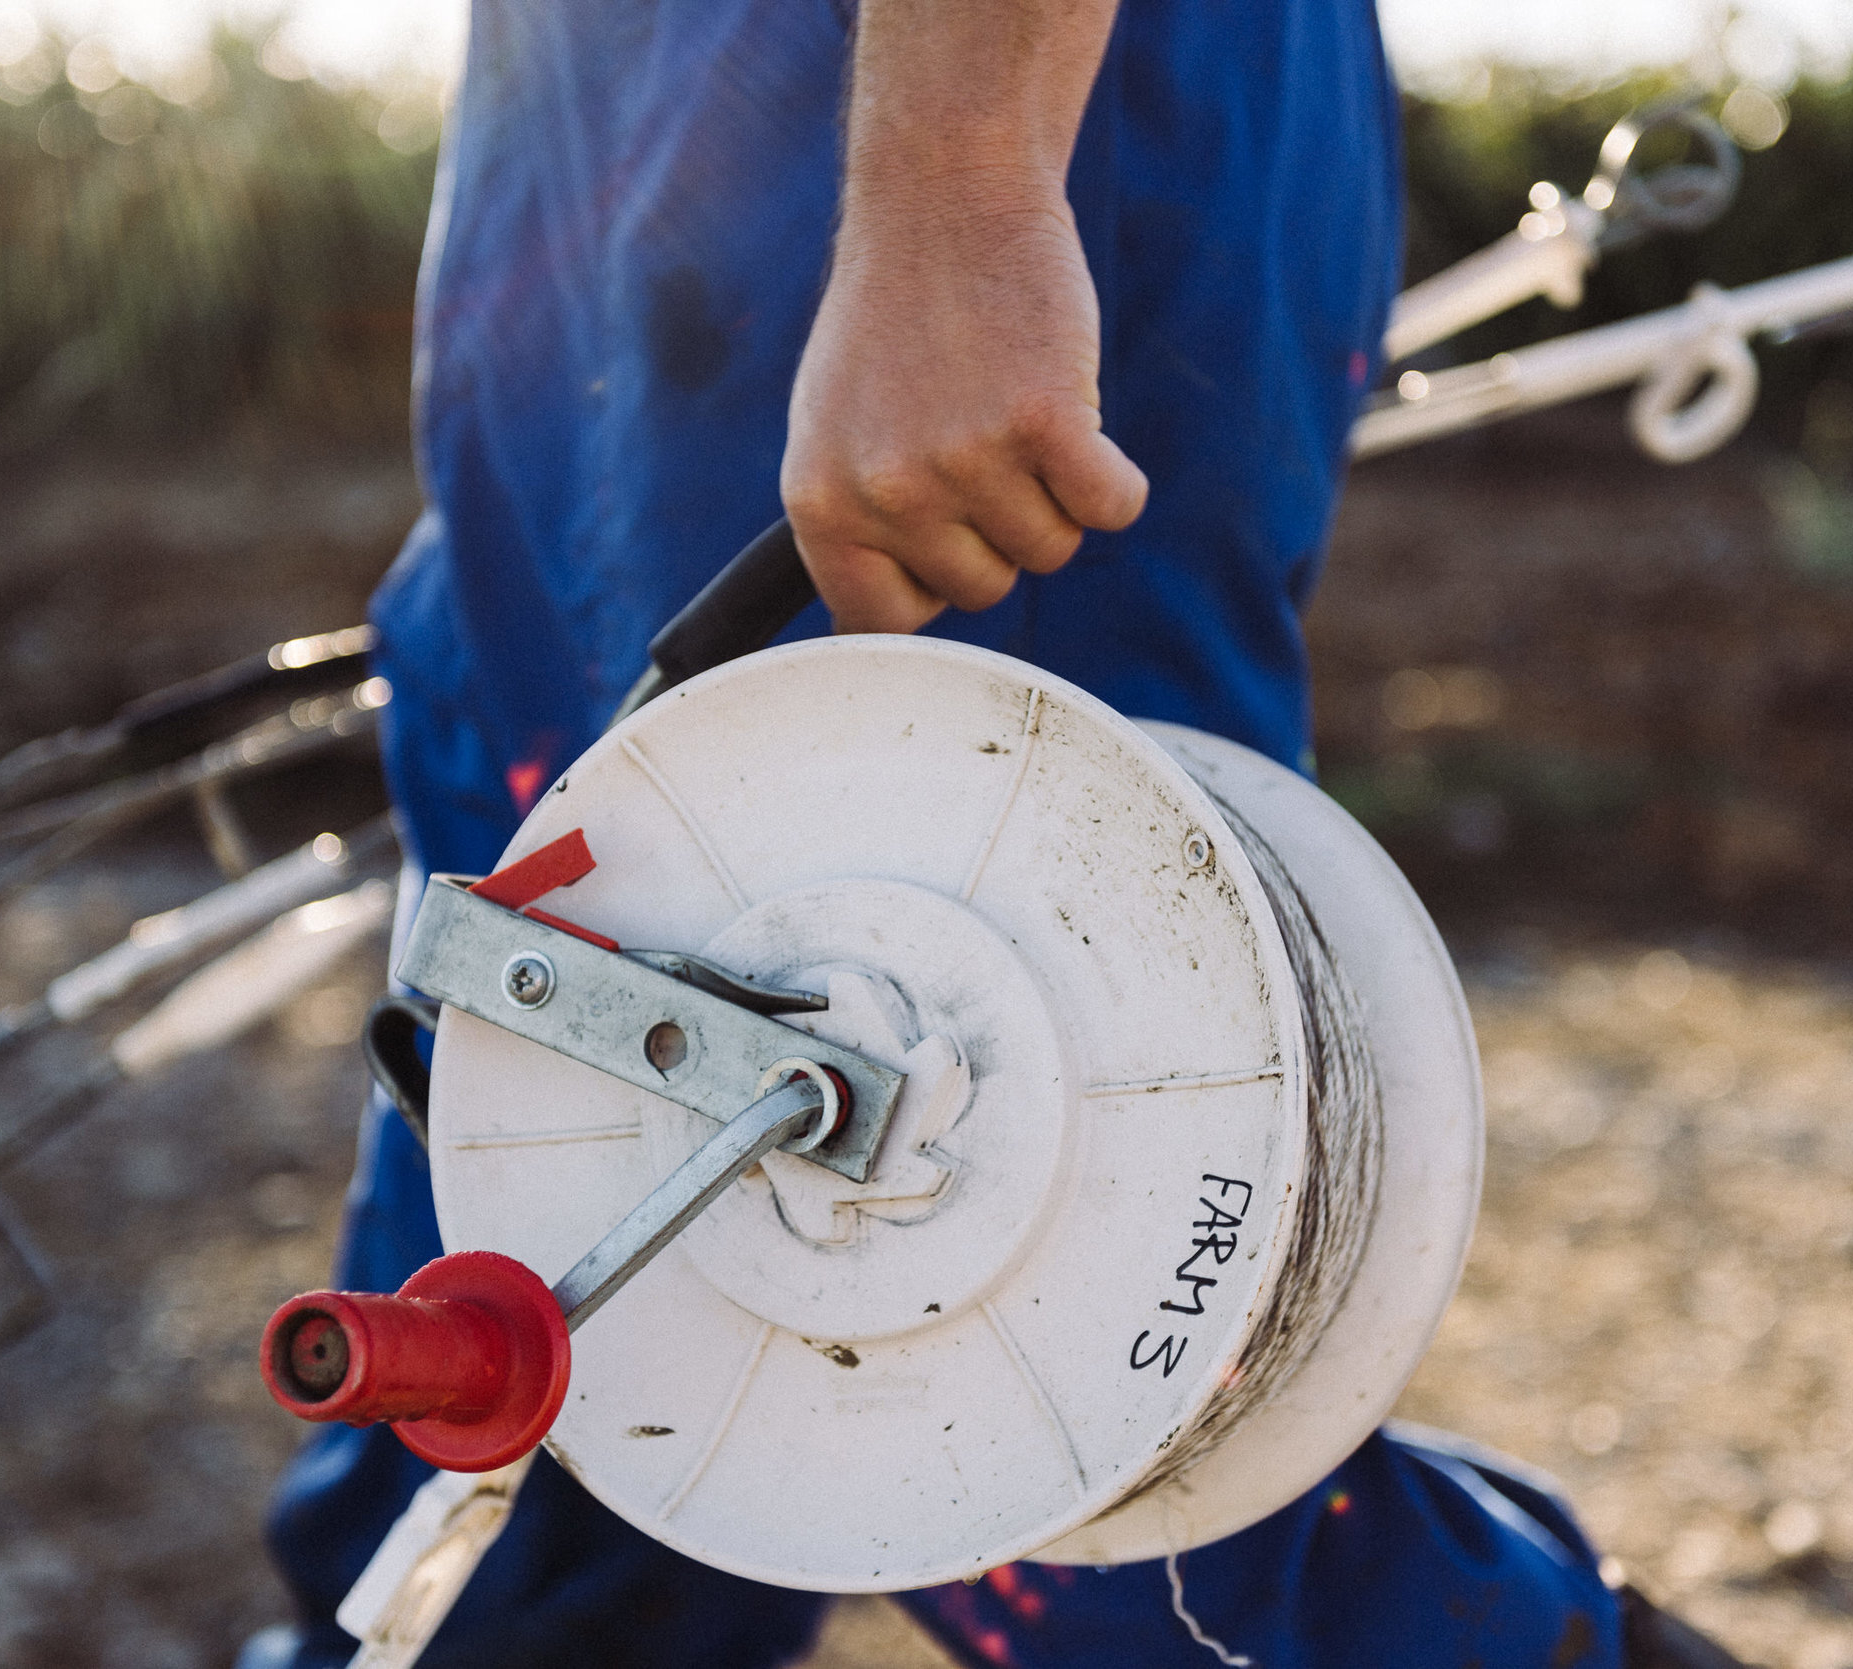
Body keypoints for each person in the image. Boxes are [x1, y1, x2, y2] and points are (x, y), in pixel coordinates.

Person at [246, 2, 1745, 1665]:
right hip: (613, 130)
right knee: (531, 1245)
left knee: (1055, 1376)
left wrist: (960, 182)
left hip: (934, 95)